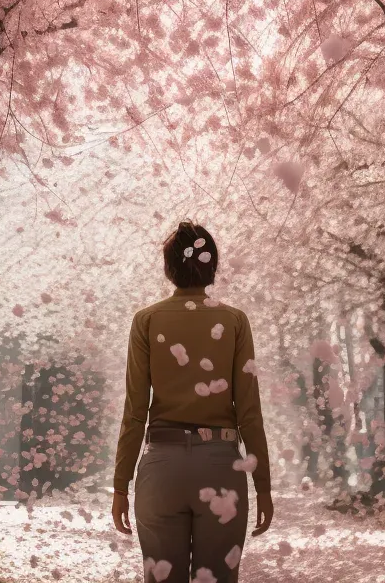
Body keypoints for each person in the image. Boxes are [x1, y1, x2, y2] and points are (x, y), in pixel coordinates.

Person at [111, 222, 273, 583]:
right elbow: (249, 414)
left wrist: (121, 484)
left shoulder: (146, 321)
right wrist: (263, 486)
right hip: (220, 466)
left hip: (161, 468)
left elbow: (135, 412)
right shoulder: (233, 321)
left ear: (169, 267)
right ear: (211, 265)